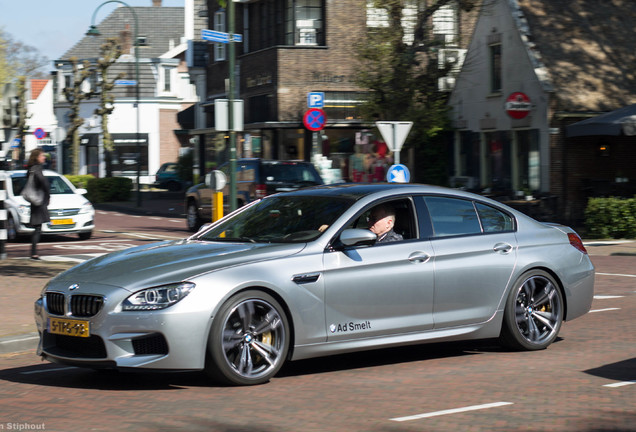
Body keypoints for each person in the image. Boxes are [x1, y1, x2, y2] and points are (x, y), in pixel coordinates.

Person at [25, 148, 50, 260]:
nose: (44, 157)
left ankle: (34, 252)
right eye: (42, 155)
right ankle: (34, 253)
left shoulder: (30, 169)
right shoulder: (37, 169)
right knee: (38, 227)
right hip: (39, 201)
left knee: (37, 227)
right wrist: (47, 193)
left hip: (35, 201)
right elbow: (43, 182)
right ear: (37, 157)